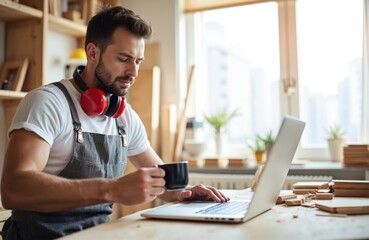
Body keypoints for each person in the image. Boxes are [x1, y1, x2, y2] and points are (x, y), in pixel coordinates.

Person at [0, 6, 229, 240]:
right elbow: (13, 188)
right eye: (124, 59)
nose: (134, 71)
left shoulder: (124, 116)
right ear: (92, 53)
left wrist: (187, 193)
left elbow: (162, 182)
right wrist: (111, 189)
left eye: (138, 61)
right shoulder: (48, 102)